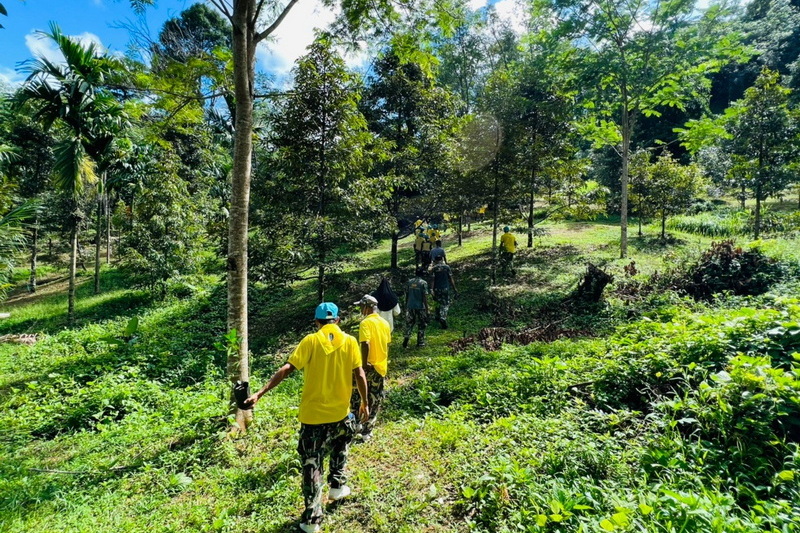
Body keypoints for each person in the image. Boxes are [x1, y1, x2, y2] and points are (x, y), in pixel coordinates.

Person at [245, 303, 369, 533]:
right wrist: (364, 402)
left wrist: (260, 393)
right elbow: (359, 374)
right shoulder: (350, 341)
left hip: (313, 417)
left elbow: (287, 368)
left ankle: (312, 519)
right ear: (338, 320)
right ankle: (337, 486)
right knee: (342, 441)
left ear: (316, 322)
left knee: (312, 463)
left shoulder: (310, 341)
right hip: (340, 413)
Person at [350, 294, 391, 440]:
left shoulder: (365, 323)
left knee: (357, 396)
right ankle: (367, 431)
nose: (361, 309)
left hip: (368, 366)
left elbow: (365, 343)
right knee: (374, 398)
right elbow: (386, 344)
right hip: (380, 367)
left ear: (367, 307)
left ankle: (355, 426)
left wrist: (364, 363)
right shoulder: (384, 323)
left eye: (361, 306)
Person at [403, 267, 429, 348]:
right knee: (422, 324)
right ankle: (420, 342)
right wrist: (427, 309)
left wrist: (406, 305)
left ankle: (406, 339)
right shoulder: (423, 283)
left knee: (409, 323)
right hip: (420, 307)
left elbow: (407, 294)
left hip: (410, 306)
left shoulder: (409, 282)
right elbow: (424, 297)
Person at [431, 256, 457, 329]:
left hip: (436, 288)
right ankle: (443, 317)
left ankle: (437, 316)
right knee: (445, 303)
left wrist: (431, 289)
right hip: (445, 288)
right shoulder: (447, 267)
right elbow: (451, 278)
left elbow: (432, 280)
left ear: (435, 260)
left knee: (437, 302)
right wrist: (454, 288)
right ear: (442, 259)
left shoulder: (434, 269)